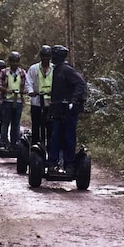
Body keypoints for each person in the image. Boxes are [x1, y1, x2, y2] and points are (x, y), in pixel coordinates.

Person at [46, 45, 86, 175]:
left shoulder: (66, 70)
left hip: (68, 111)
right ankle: (52, 163)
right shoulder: (57, 70)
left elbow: (80, 84)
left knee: (68, 137)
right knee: (55, 136)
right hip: (58, 110)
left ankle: (69, 165)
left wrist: (73, 101)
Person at [0, 51, 28, 149]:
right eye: (13, 62)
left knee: (16, 123)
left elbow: (25, 86)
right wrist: (8, 91)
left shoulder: (22, 72)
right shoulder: (4, 72)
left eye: (16, 61)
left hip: (18, 101)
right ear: (10, 62)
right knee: (5, 122)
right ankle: (3, 143)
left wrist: (23, 92)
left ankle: (15, 143)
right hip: (7, 101)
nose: (14, 64)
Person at [26, 45, 54, 148]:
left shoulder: (54, 68)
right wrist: (31, 91)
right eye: (43, 56)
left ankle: (50, 148)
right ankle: (35, 148)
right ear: (40, 56)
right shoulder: (34, 68)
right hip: (37, 101)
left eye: (47, 56)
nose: (45, 58)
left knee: (50, 127)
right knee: (36, 126)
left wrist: (55, 93)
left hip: (50, 103)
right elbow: (29, 81)